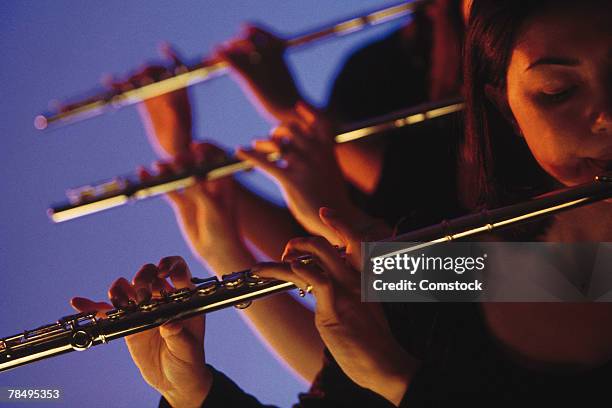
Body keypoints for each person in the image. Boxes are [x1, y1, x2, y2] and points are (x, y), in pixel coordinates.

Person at [73, 0, 612, 406]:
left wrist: (393, 375)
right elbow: (376, 283)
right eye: (557, 91)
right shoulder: (490, 265)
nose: (606, 116)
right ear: (505, 106)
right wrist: (194, 391)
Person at [110, 0, 469, 383]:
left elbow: (493, 272)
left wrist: (292, 113)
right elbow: (339, 365)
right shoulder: (375, 65)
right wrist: (196, 178)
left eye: (545, 91)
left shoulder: (523, 272)